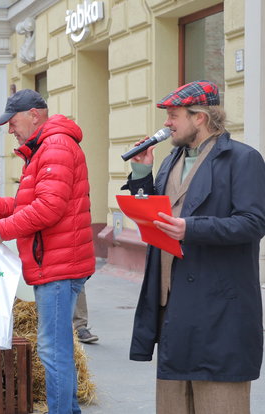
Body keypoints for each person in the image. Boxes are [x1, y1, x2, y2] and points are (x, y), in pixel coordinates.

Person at [123, 80, 265, 414]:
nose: (167, 123)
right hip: (172, 307)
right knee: (172, 405)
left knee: (220, 403)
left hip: (219, 309)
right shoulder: (172, 159)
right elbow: (158, 210)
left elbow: (253, 223)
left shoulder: (242, 159)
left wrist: (191, 228)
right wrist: (142, 173)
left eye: (174, 115)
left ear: (200, 117)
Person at [0, 89, 95, 414]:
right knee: (56, 348)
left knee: (52, 350)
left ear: (34, 115)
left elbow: (47, 209)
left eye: (13, 121)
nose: (9, 129)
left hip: (59, 265)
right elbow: (25, 205)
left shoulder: (56, 146)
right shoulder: (44, 147)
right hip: (56, 261)